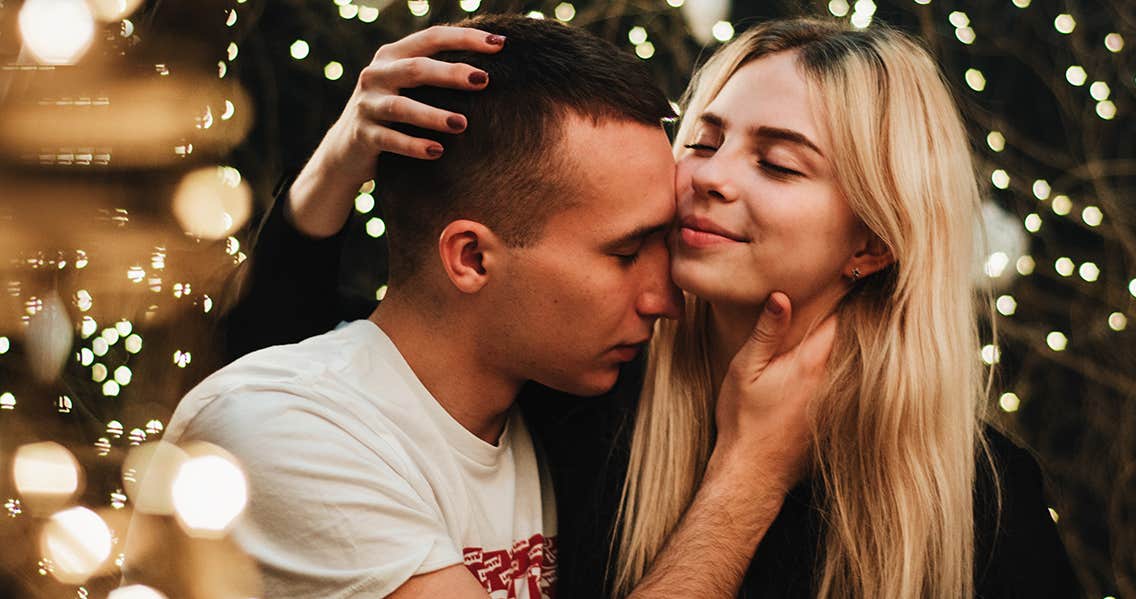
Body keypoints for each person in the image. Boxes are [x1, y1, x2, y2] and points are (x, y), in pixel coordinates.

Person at [227, 14, 1081, 599]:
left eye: (778, 164)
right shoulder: (589, 388)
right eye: (703, 139)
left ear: (871, 243)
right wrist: (341, 157)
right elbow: (299, 385)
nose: (710, 174)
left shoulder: (979, 494)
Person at [157, 15, 828, 599]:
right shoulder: (279, 428)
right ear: (472, 258)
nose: (666, 299)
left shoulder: (568, 407)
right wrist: (748, 477)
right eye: (626, 253)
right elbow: (273, 343)